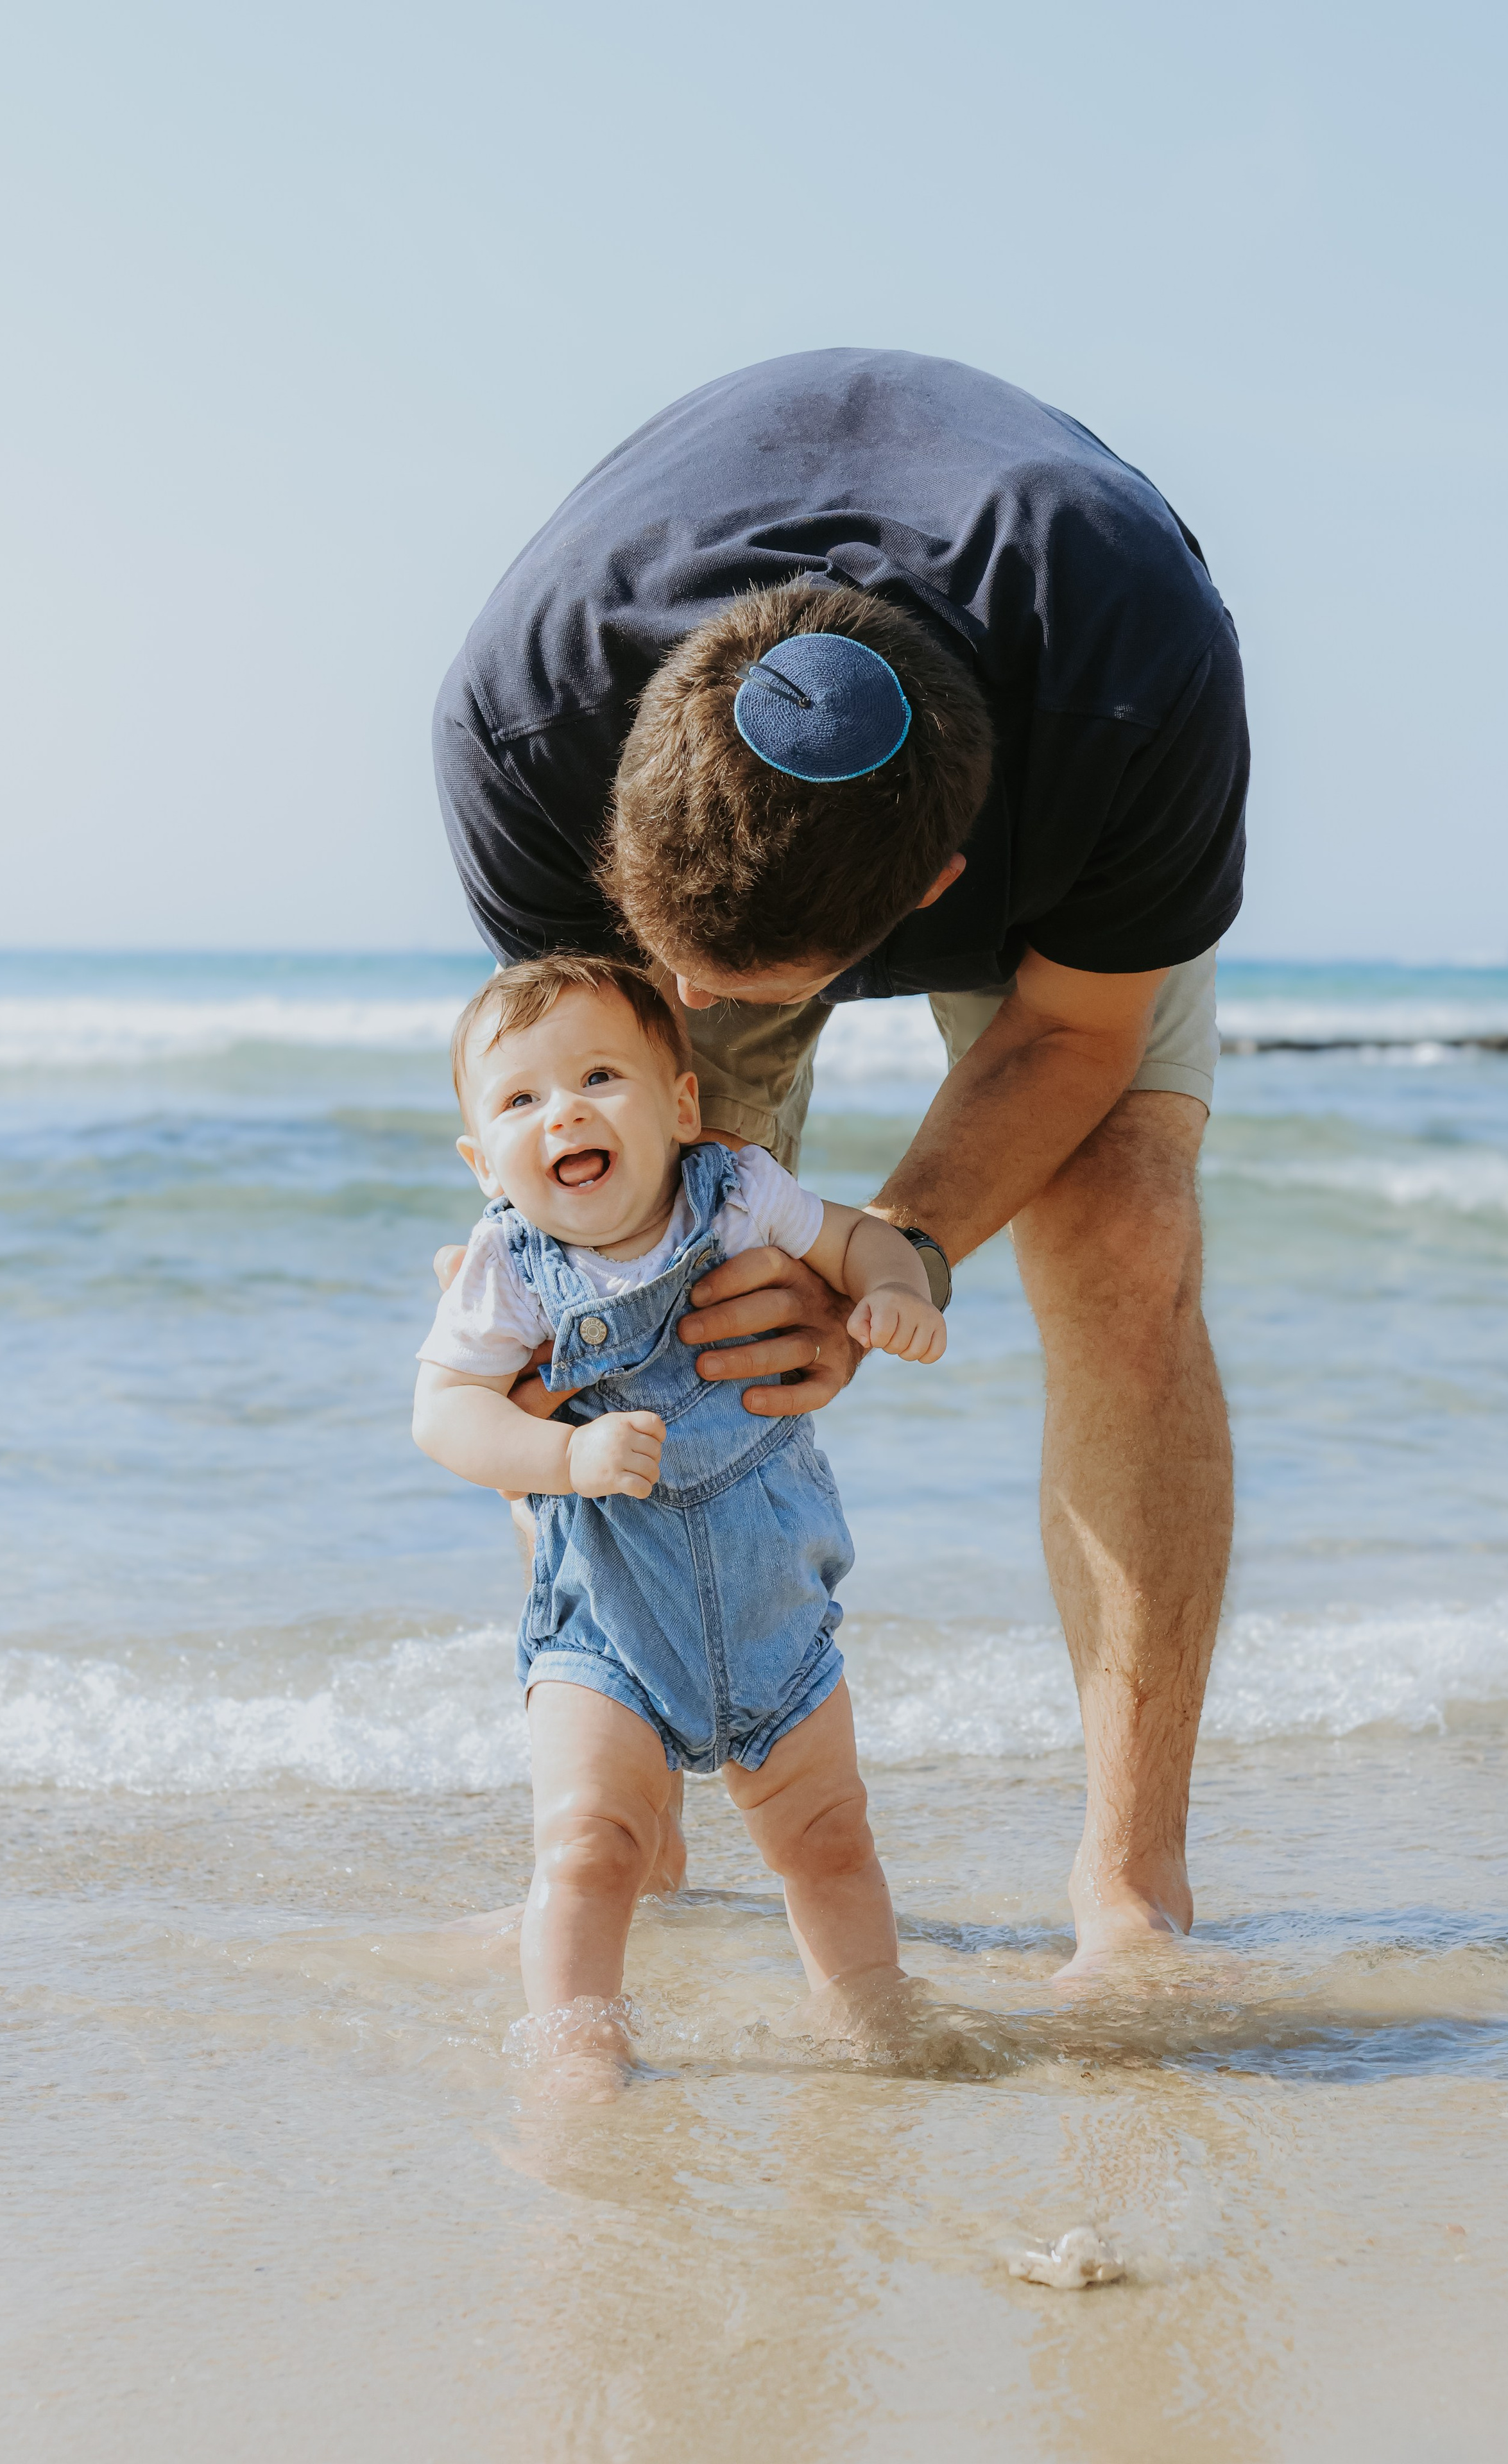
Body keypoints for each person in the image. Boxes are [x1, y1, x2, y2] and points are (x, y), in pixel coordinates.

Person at [432, 349, 1247, 1972]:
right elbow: (558, 1203)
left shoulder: (1134, 666)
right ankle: (628, 1812)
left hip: (1058, 715)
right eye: (691, 988)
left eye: (745, 999)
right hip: (626, 766)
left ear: (941, 887)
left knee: (1123, 1222)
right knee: (612, 1278)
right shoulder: (524, 719)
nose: (709, 1030)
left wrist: (894, 1254)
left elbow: (1073, 1033)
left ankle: (1130, 1892)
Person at [412, 952, 947, 2095]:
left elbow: (858, 1240)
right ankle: (576, 2047)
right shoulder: (508, 1265)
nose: (563, 1111)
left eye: (599, 1075)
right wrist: (562, 1453)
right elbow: (444, 1415)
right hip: (607, 1628)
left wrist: (895, 1291)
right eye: (518, 1101)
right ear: (484, 1162)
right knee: (590, 1848)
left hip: (774, 1614)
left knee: (830, 1843)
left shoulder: (740, 1189)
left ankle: (871, 2023)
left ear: (681, 1104)